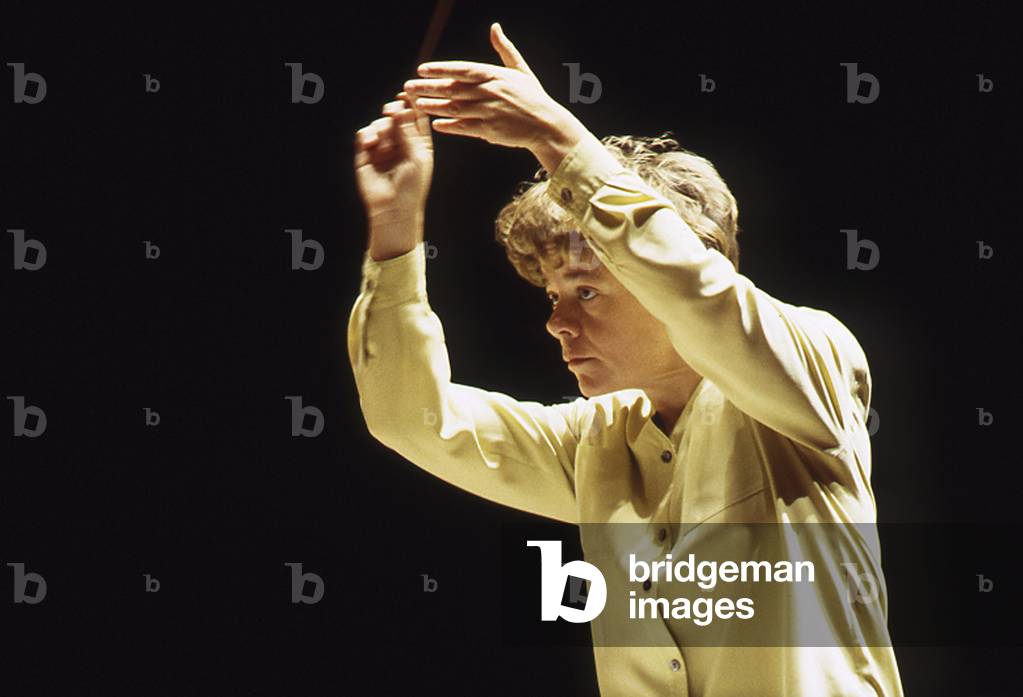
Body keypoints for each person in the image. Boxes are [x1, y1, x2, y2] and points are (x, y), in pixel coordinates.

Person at [349, 21, 904, 697]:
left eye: (585, 289)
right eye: (552, 293)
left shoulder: (808, 363)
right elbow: (411, 417)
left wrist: (559, 142)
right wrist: (395, 235)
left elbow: (696, 292)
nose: (556, 321)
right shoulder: (594, 443)